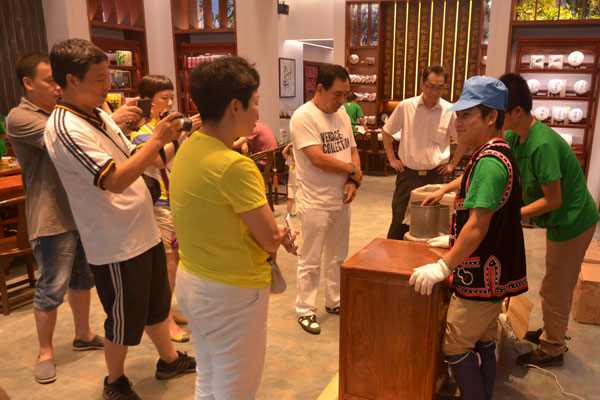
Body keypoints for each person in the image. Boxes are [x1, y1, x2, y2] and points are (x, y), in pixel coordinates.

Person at [43, 39, 195, 399]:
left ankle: (169, 360)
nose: (108, 86)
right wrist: (157, 140)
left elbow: (134, 157)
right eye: (99, 80)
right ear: (71, 80)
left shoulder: (98, 116)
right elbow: (113, 180)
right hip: (116, 242)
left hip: (142, 229)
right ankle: (114, 381)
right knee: (123, 319)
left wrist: (157, 138)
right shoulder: (65, 127)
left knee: (156, 305)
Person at [170, 56, 298, 399]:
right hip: (232, 291)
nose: (258, 112)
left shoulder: (188, 147)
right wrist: (279, 236)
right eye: (254, 102)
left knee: (209, 376)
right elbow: (269, 239)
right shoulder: (234, 166)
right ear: (235, 107)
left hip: (193, 281)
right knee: (236, 388)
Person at [7, 52, 133, 384]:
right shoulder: (21, 117)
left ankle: (83, 334)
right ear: (28, 83)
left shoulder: (65, 113)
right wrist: (110, 120)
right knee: (51, 286)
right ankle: (45, 351)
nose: (57, 87)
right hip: (51, 216)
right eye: (50, 81)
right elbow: (63, 139)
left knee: (82, 279)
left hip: (82, 212)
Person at [411, 76, 528, 400]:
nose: (458, 123)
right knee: (484, 340)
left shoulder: (489, 162)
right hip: (495, 272)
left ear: (491, 117)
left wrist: (444, 265)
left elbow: (477, 225)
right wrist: (452, 238)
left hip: (481, 277)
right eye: (457, 115)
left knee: (456, 345)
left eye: (467, 115)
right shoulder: (495, 151)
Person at [500, 73, 600, 367]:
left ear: (517, 111)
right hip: (560, 219)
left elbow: (553, 200)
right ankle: (550, 331)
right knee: (554, 281)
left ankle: (553, 348)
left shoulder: (542, 145)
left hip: (573, 221)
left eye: (499, 110)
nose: (494, 116)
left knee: (555, 289)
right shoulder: (514, 136)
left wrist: (511, 215)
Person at [290, 64, 362, 334]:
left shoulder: (341, 114)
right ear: (320, 88)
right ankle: (305, 309)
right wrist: (352, 170)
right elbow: (317, 158)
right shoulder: (303, 117)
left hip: (341, 198)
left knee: (337, 256)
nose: (342, 100)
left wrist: (353, 181)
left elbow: (352, 149)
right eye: (337, 94)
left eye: (346, 94)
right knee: (310, 259)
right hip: (315, 201)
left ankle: (334, 301)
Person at [131, 74, 201, 343]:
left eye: (172, 97)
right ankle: (164, 319)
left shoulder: (168, 130)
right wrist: (181, 135)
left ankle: (168, 309)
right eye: (164, 98)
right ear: (148, 102)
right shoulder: (141, 133)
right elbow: (160, 162)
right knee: (167, 264)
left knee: (176, 259)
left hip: (173, 199)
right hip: (157, 203)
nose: (170, 103)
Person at [382, 64, 467, 240]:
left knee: (431, 224)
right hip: (407, 175)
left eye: (440, 88)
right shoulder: (406, 106)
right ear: (422, 84)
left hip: (435, 176)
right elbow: (387, 131)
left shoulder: (449, 110)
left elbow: (463, 139)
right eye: (431, 86)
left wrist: (452, 165)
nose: (435, 92)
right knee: (399, 221)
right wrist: (392, 159)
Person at [282, 143, 297, 215]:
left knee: (300, 199)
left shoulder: (300, 161)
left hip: (299, 184)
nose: (292, 156)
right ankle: (289, 213)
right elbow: (283, 153)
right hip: (291, 184)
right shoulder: (289, 160)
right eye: (291, 154)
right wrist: (288, 145)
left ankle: (301, 211)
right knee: (290, 198)